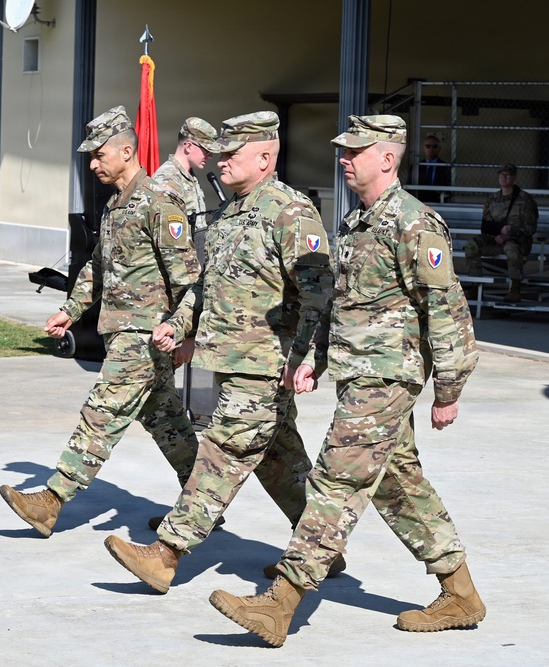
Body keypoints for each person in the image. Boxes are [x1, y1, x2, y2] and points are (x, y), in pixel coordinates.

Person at [208, 114, 483, 648]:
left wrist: (448, 390)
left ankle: (281, 603)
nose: (344, 159)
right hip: (358, 373)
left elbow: (447, 309)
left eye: (356, 151)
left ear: (388, 157)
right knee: (399, 486)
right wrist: (314, 358)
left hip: (387, 377)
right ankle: (461, 594)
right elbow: (340, 305)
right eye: (344, 151)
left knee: (335, 480)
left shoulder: (414, 223)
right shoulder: (357, 223)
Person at [101, 111, 336, 594]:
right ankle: (320, 551)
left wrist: (309, 356)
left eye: (232, 154)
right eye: (220, 152)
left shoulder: (290, 212)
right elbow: (205, 285)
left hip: (264, 365)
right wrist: (178, 324)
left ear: (265, 158)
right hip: (229, 361)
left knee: (219, 455)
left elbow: (319, 294)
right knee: (279, 460)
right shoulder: (230, 213)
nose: (221, 161)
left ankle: (167, 554)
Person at [0, 106, 201, 537]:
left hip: (144, 336)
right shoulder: (115, 206)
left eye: (98, 154)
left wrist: (184, 333)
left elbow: (189, 281)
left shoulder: (160, 204)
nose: (92, 164)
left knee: (101, 412)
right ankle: (202, 508)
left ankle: (51, 501)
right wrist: (70, 311)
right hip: (122, 331)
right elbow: (97, 267)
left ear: (126, 151)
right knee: (169, 425)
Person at [151, 117, 222, 371]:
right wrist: (188, 323)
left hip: (186, 289)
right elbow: (175, 256)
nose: (210, 157)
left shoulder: (188, 178)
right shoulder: (168, 183)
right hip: (170, 293)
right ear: (189, 146)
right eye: (206, 150)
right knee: (157, 372)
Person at [464, 164, 538, 303]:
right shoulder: (493, 198)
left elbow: (530, 228)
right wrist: (500, 230)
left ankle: (515, 289)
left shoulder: (525, 200)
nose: (504, 177)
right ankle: (475, 286)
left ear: (514, 177)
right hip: (496, 239)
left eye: (507, 175)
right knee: (471, 245)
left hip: (518, 241)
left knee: (511, 248)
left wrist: (510, 234)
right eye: (501, 175)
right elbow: (485, 226)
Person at [417, 134, 451, 203]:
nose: (431, 149)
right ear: (424, 148)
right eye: (428, 146)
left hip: (439, 202)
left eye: (434, 147)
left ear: (439, 148)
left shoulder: (446, 166)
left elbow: (448, 187)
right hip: (419, 202)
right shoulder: (416, 166)